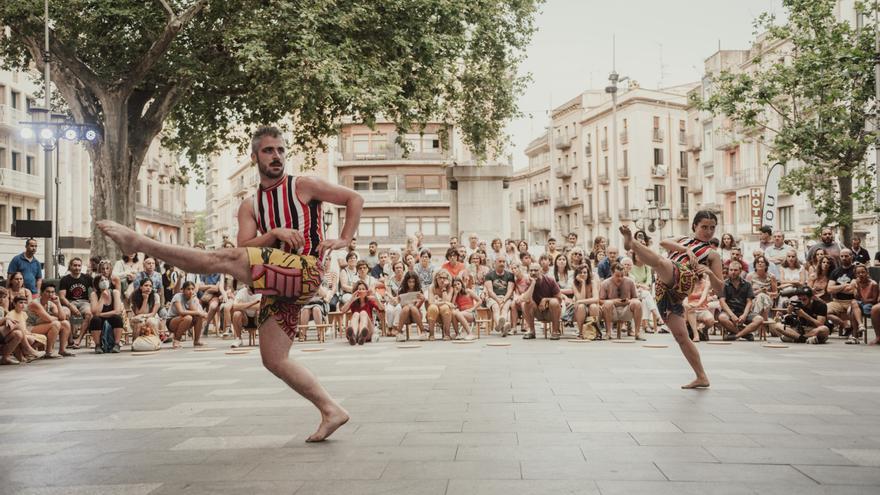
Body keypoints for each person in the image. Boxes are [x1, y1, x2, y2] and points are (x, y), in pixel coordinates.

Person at [100, 125, 359, 442]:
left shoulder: (303, 185)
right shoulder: (250, 206)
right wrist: (274, 233)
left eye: (280, 150)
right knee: (274, 359)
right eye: (268, 150)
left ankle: (139, 243)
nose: (276, 156)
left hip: (306, 269)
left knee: (217, 259)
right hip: (276, 279)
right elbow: (247, 246)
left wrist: (344, 239)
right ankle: (332, 410)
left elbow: (353, 198)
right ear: (254, 157)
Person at [620, 211, 723, 389]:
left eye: (712, 228)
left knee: (660, 262)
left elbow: (721, 288)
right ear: (694, 227)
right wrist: (685, 250)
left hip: (683, 279)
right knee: (681, 336)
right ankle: (701, 377)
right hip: (664, 291)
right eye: (704, 227)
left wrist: (710, 274)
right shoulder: (683, 240)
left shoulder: (713, 255)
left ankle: (632, 244)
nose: (708, 231)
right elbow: (663, 242)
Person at [718, 262, 764, 341]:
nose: (733, 272)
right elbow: (722, 302)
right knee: (722, 318)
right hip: (729, 311)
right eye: (731, 270)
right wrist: (732, 315)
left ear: (740, 271)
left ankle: (736, 335)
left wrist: (744, 315)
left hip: (744, 311)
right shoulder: (723, 284)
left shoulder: (747, 284)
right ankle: (746, 334)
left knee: (759, 319)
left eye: (735, 270)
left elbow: (749, 302)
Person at [599, 262, 643, 341]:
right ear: (612, 273)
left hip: (626, 310)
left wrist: (628, 301)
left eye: (622, 275)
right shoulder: (605, 283)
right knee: (608, 303)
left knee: (637, 303)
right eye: (617, 276)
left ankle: (637, 333)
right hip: (612, 311)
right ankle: (608, 333)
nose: (620, 278)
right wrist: (613, 301)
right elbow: (600, 301)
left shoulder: (630, 282)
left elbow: (635, 298)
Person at [27, 284, 73, 358]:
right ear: (42, 293)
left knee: (65, 323)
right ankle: (49, 352)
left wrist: (58, 303)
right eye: (48, 292)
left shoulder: (50, 303)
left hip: (41, 325)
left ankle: (62, 350)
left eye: (52, 292)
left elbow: (63, 317)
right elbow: (48, 319)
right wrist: (55, 317)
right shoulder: (35, 303)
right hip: (29, 327)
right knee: (55, 324)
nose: (50, 294)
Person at [520, 262, 563, 340]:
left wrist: (546, 299)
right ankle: (531, 331)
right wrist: (532, 284)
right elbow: (525, 299)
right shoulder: (528, 282)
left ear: (540, 271)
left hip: (552, 312)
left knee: (554, 302)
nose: (533, 273)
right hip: (538, 312)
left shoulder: (550, 281)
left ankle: (555, 331)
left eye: (536, 270)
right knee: (526, 303)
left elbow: (559, 299)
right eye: (531, 270)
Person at [59, 258, 93, 348]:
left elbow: (96, 289)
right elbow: (62, 297)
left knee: (89, 314)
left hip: (84, 302)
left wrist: (92, 299)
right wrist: (71, 306)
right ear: (70, 266)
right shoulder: (65, 279)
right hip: (69, 302)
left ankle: (78, 340)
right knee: (65, 314)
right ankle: (70, 340)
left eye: (79, 265)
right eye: (74, 265)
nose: (77, 268)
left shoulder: (87, 278)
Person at [88, 274, 125, 353]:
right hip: (100, 318)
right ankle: (97, 345)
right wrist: (102, 297)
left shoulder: (115, 292)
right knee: (95, 320)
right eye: (101, 280)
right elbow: (95, 312)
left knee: (117, 318)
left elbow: (117, 311)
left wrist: (101, 314)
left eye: (106, 280)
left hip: (111, 316)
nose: (104, 282)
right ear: (97, 284)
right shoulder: (94, 294)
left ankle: (117, 344)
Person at [1, 293, 43, 363]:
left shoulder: (2, 309)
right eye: (3, 297)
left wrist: (5, 318)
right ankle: (28, 350)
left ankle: (5, 358)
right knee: (18, 326)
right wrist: (6, 319)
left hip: (5, 334)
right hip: (4, 335)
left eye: (4, 297)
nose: (5, 300)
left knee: (19, 334)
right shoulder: (11, 313)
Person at [630, 250, 665, 333]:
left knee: (645, 300)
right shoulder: (631, 266)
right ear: (634, 256)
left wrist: (642, 286)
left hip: (643, 291)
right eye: (637, 255)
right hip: (634, 291)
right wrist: (640, 285)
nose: (639, 257)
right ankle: (657, 316)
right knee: (646, 294)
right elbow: (631, 281)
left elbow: (649, 282)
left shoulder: (647, 267)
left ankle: (645, 325)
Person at [827, 249, 857, 336]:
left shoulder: (855, 270)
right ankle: (844, 325)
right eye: (842, 256)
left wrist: (836, 288)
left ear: (851, 256)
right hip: (837, 301)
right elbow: (829, 289)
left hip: (851, 301)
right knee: (823, 310)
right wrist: (844, 286)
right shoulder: (835, 271)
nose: (844, 258)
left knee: (853, 311)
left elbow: (852, 290)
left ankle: (855, 330)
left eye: (846, 256)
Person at [340, 280, 381, 345]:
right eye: (359, 289)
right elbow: (342, 310)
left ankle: (361, 335)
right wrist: (351, 299)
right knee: (356, 314)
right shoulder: (353, 301)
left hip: (368, 330)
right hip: (355, 328)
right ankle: (354, 336)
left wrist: (376, 298)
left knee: (363, 313)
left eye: (363, 289)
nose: (361, 291)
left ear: (366, 291)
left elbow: (382, 309)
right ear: (356, 291)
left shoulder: (369, 301)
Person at [484, 255, 515, 337]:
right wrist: (498, 300)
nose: (502, 263)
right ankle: (503, 325)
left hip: (506, 297)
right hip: (493, 297)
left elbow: (510, 290)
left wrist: (504, 300)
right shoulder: (489, 275)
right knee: (495, 308)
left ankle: (500, 326)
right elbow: (490, 291)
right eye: (500, 261)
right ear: (495, 263)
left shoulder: (510, 275)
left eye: (503, 262)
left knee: (505, 308)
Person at [850, 264, 879, 344]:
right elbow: (857, 297)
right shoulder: (858, 283)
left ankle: (855, 336)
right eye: (858, 273)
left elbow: (874, 299)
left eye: (863, 272)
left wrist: (864, 300)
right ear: (856, 274)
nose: (861, 274)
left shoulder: (873, 284)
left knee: (854, 311)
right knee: (853, 302)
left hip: (869, 306)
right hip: (861, 304)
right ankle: (860, 325)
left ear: (867, 273)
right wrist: (856, 288)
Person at [571, 263, 601, 339]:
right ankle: (581, 333)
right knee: (581, 307)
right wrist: (583, 283)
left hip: (593, 306)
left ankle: (595, 332)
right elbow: (581, 298)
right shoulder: (574, 284)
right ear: (577, 274)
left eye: (585, 272)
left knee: (593, 306)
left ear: (588, 273)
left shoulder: (592, 282)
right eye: (580, 272)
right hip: (580, 308)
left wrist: (580, 301)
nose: (583, 274)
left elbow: (596, 299)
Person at [394, 272, 426, 341]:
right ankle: (399, 333)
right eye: (409, 282)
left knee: (413, 308)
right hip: (406, 315)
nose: (411, 284)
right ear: (406, 282)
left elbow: (417, 307)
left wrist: (422, 300)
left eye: (413, 282)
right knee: (407, 308)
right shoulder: (402, 290)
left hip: (416, 314)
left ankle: (423, 331)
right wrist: (398, 300)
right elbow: (403, 307)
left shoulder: (419, 290)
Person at [130, 278, 163, 344]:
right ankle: (135, 343)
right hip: (139, 319)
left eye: (150, 286)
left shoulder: (155, 296)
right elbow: (138, 313)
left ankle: (156, 342)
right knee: (139, 323)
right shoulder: (135, 296)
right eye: (146, 285)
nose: (148, 288)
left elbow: (153, 314)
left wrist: (143, 316)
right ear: (141, 287)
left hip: (152, 317)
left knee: (151, 321)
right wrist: (145, 299)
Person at [684, 275, 715, 343]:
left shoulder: (706, 283)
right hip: (689, 309)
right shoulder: (687, 283)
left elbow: (703, 296)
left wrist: (697, 305)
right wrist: (687, 305)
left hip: (702, 308)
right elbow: (684, 298)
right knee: (690, 309)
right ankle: (696, 334)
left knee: (710, 320)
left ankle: (703, 329)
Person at [746, 255, 778, 321]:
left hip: (768, 300)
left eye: (762, 262)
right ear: (755, 265)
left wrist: (766, 293)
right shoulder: (750, 276)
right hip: (753, 300)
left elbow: (776, 293)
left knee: (762, 296)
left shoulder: (771, 276)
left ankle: (755, 320)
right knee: (760, 296)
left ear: (766, 265)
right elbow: (747, 294)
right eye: (758, 262)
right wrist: (760, 291)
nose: (760, 263)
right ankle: (762, 323)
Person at [426, 270, 455, 340]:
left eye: (444, 278)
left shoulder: (450, 288)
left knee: (445, 308)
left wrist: (444, 288)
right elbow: (431, 302)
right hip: (433, 311)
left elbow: (447, 300)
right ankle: (431, 334)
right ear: (436, 278)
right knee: (433, 307)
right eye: (440, 277)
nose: (442, 280)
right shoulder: (431, 287)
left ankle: (447, 334)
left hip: (445, 311)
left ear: (448, 279)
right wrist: (445, 302)